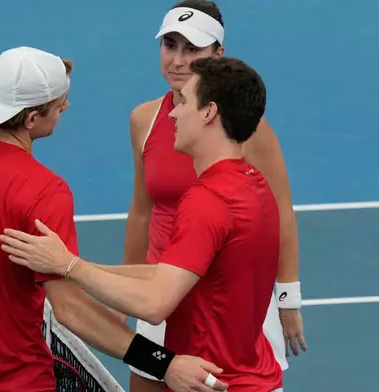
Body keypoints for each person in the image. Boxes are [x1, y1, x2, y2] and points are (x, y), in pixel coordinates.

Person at [0, 46, 229, 392]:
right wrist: (164, 363)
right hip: (14, 382)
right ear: (31, 119)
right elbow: (70, 311)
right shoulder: (45, 192)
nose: (65, 107)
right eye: (58, 104)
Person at [0, 56, 285, 392]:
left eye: (183, 102)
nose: (173, 112)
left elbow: (155, 304)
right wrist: (70, 267)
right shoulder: (253, 184)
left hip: (215, 383)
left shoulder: (207, 201)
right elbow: (170, 274)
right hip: (255, 379)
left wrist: (69, 265)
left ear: (208, 113)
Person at [121, 1, 307, 390]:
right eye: (170, 45)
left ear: (217, 56)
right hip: (160, 290)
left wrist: (287, 297)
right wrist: (126, 295)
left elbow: (280, 211)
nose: (177, 60)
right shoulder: (144, 120)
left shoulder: (248, 129)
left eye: (192, 49)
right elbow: (141, 212)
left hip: (228, 307)